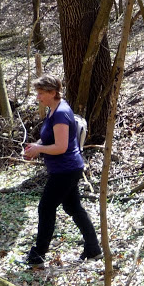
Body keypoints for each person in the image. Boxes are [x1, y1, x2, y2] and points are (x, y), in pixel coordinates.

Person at [24, 75, 102, 267]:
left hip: (65, 170)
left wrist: (39, 149)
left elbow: (60, 147)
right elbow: (52, 140)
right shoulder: (54, 110)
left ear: (52, 93)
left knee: (46, 208)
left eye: (41, 93)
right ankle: (93, 249)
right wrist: (36, 145)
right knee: (73, 207)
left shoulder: (60, 113)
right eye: (38, 93)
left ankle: (38, 255)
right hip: (65, 169)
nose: (38, 97)